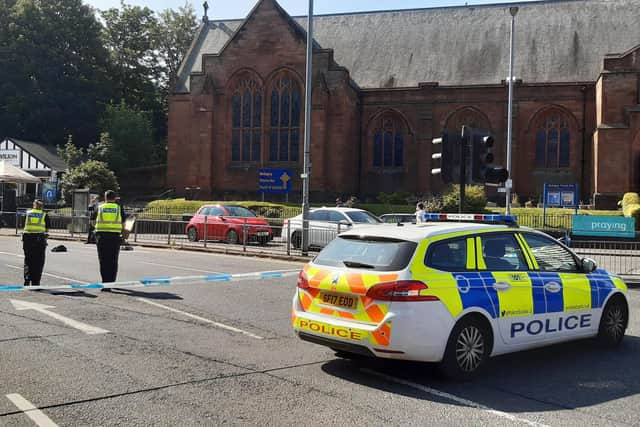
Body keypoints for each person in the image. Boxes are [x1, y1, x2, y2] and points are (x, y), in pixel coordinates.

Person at [93, 190, 126, 283]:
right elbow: (124, 223)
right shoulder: (119, 208)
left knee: (103, 260)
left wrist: (97, 227)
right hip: (115, 236)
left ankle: (105, 282)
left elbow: (92, 221)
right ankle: (111, 282)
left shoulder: (100, 207)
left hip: (101, 236)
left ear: (105, 198)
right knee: (113, 260)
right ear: (114, 198)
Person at [22, 199, 50, 286]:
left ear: (33, 205)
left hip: (27, 238)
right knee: (38, 261)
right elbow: (47, 228)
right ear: (42, 206)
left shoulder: (28, 213)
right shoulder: (44, 215)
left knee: (28, 259)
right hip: (39, 239)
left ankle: (27, 279)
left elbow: (22, 224)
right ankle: (36, 282)